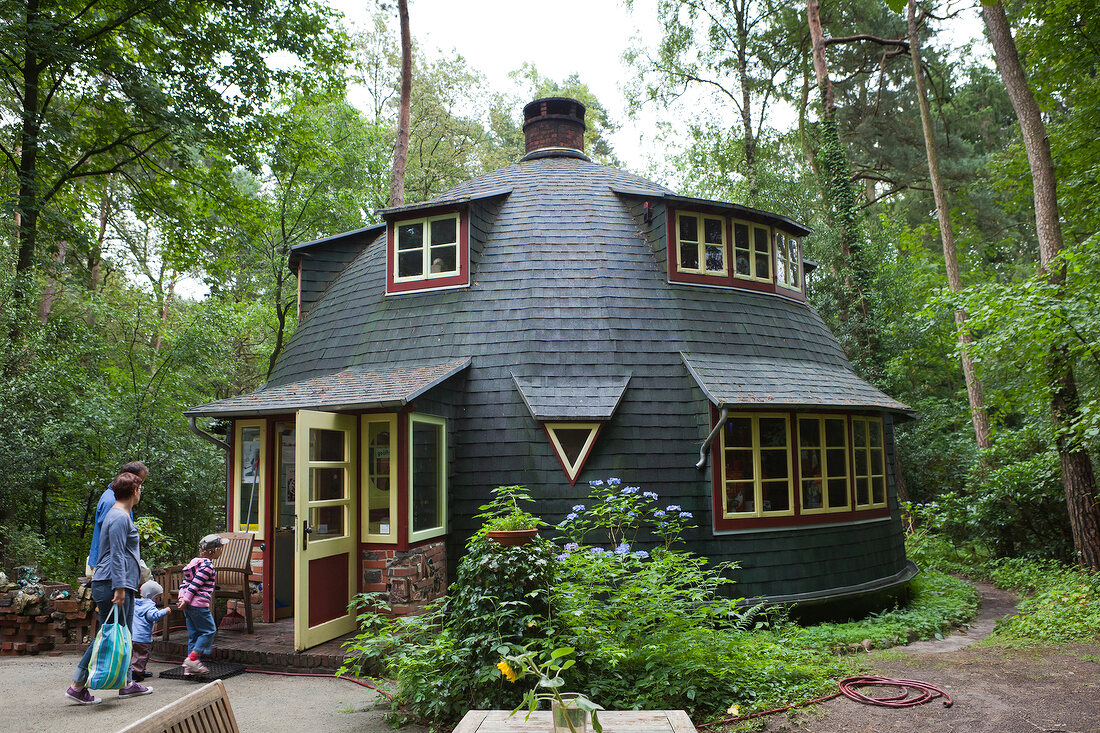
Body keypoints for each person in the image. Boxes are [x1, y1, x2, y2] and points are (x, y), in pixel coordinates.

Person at [66, 472, 153, 704]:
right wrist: (120, 587)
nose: (141, 491)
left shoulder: (121, 514)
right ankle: (77, 685)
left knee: (122, 634)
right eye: (140, 488)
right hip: (112, 584)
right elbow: (116, 555)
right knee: (108, 635)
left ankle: (126, 683)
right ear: (134, 491)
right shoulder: (118, 517)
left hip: (119, 583)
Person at [176, 534, 226, 676]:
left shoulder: (195, 563)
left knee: (194, 634)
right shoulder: (207, 566)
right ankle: (192, 659)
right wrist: (185, 599)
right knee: (209, 631)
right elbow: (195, 585)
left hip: (189, 605)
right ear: (213, 551)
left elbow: (186, 583)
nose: (221, 551)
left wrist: (182, 597)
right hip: (198, 605)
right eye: (220, 548)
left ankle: (189, 668)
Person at [87, 461, 148, 574]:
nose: (141, 486)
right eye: (140, 481)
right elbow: (115, 547)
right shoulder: (111, 501)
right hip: (108, 570)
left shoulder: (122, 500)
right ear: (129, 478)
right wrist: (120, 585)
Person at [130, 580, 170, 682]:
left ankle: (136, 671)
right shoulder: (149, 605)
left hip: (132, 636)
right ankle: (136, 673)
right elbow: (153, 616)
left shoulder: (134, 603)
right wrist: (165, 611)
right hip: (143, 638)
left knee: (134, 655)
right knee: (142, 656)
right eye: (156, 597)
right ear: (150, 596)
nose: (156, 600)